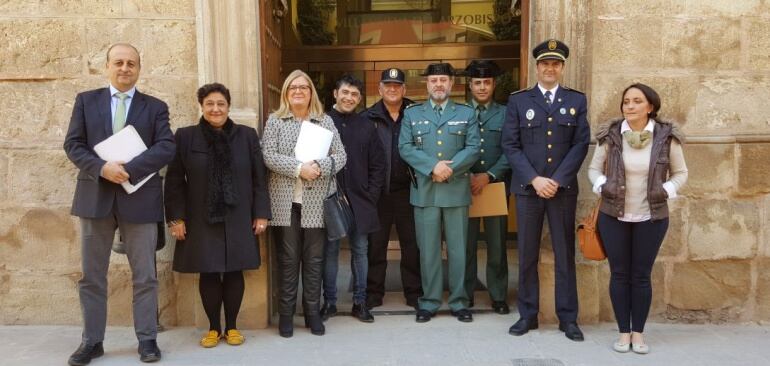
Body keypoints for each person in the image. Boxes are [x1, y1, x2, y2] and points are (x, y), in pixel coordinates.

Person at [63, 43, 175, 365]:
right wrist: (102, 168)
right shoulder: (86, 101)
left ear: (139, 68)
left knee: (145, 275)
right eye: (119, 62)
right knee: (92, 276)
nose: (125, 68)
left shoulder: (155, 107)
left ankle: (147, 340)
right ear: (107, 66)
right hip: (95, 198)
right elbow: (73, 144)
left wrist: (128, 170)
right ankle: (92, 341)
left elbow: (166, 146)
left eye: (131, 63)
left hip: (139, 199)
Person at [164, 83, 271, 348]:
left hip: (239, 216)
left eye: (220, 103)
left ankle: (232, 327)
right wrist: (176, 218)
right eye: (210, 103)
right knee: (209, 273)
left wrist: (261, 213)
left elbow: (259, 178)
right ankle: (213, 328)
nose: (215, 109)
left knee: (235, 272)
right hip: (201, 218)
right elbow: (175, 181)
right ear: (201, 106)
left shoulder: (246, 136)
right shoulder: (186, 137)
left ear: (228, 106)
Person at [588, 83, 687, 354]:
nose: (629, 106)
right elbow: (594, 169)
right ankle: (623, 333)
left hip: (652, 217)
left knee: (641, 276)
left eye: (636, 101)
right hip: (613, 216)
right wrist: (602, 186)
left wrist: (664, 191)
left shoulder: (666, 137)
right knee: (619, 274)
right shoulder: (611, 136)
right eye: (626, 101)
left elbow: (681, 173)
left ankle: (638, 333)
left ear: (650, 107)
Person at [501, 39, 590, 341]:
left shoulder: (576, 100)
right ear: (536, 66)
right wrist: (536, 179)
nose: (550, 68)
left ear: (562, 67)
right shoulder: (519, 101)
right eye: (545, 63)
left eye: (555, 64)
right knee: (526, 254)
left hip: (562, 190)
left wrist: (557, 179)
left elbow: (580, 144)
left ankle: (568, 318)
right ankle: (527, 315)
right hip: (528, 190)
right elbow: (510, 145)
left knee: (565, 253)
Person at [261, 69, 346, 338]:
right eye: (293, 87)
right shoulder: (275, 121)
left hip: (316, 203)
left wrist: (319, 166)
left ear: (311, 93)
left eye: (304, 87)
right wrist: (299, 169)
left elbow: (341, 156)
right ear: (286, 92)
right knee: (288, 260)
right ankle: (286, 315)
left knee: (314, 260)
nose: (298, 91)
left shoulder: (325, 122)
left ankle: (312, 313)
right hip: (285, 203)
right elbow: (268, 156)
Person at [399, 63, 481, 323]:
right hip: (425, 192)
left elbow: (473, 147)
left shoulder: (466, 113)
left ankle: (459, 301)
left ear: (451, 84)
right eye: (433, 80)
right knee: (429, 251)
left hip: (456, 191)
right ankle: (430, 301)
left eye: (443, 80)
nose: (438, 84)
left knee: (458, 250)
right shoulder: (412, 113)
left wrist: (449, 169)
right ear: (427, 84)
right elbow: (405, 147)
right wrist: (432, 166)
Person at [321, 75, 386, 322]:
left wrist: (371, 194)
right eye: (345, 92)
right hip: (330, 199)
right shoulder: (322, 123)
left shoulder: (367, 125)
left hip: (361, 200)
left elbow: (378, 164)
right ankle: (329, 303)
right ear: (335, 93)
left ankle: (360, 302)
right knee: (330, 251)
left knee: (360, 251)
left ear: (360, 99)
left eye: (355, 95)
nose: (349, 98)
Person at [364, 68, 423, 310]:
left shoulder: (416, 114)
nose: (392, 89)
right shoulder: (368, 117)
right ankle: (374, 293)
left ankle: (414, 292)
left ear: (404, 89)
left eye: (397, 85)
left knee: (412, 245)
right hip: (379, 194)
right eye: (387, 85)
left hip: (409, 190)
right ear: (379, 89)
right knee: (376, 246)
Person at [462, 60, 512, 315]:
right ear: (470, 85)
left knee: (496, 245)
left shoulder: (505, 113)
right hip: (465, 186)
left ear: (494, 85)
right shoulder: (459, 112)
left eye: (487, 83)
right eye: (477, 83)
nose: (482, 87)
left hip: (495, 186)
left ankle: (498, 294)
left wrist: (489, 175)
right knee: (466, 244)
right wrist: (468, 175)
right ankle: (466, 293)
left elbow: (511, 149)